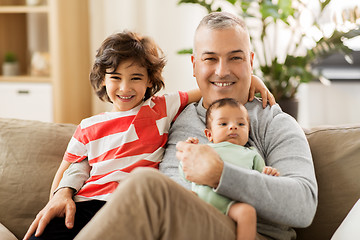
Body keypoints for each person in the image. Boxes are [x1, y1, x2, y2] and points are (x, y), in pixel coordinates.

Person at [23, 27, 275, 240]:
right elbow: (67, 167)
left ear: (149, 82)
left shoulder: (161, 108)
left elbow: (209, 89)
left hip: (128, 208)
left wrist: (250, 79)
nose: (125, 87)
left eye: (135, 78)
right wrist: (58, 198)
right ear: (102, 80)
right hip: (85, 204)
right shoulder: (87, 126)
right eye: (115, 78)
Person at [182, 97, 280, 240]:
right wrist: (188, 152)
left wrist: (269, 175)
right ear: (209, 134)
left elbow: (261, 182)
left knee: (247, 213)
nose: (233, 127)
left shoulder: (251, 154)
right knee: (183, 199)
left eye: (240, 124)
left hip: (232, 204)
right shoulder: (204, 149)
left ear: (248, 130)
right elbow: (186, 173)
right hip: (201, 200)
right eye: (223, 123)